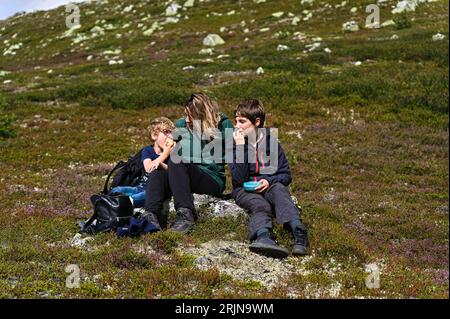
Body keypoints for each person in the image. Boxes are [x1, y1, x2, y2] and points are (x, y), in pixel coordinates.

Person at [229, 99, 308, 259]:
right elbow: (238, 179)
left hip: (269, 187)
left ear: (256, 122)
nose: (236, 125)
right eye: (236, 120)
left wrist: (268, 181)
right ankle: (264, 237)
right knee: (260, 204)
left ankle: (299, 233)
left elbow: (286, 175)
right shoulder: (234, 144)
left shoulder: (271, 142)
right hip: (244, 189)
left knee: (280, 190)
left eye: (242, 121)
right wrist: (240, 147)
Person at [144, 93, 234, 233]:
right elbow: (167, 149)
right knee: (158, 171)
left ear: (201, 113)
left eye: (189, 115)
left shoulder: (223, 124)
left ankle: (186, 215)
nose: (186, 119)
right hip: (184, 175)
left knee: (177, 162)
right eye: (185, 113)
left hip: (211, 178)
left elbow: (235, 154)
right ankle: (150, 216)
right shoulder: (180, 125)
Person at [111, 117, 175, 210]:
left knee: (140, 197)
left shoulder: (173, 153)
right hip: (140, 187)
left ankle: (122, 205)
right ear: (154, 135)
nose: (169, 136)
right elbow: (148, 167)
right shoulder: (148, 150)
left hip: (154, 190)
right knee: (117, 190)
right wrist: (164, 154)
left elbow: (173, 170)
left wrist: (165, 157)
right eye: (165, 132)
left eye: (171, 133)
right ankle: (107, 203)